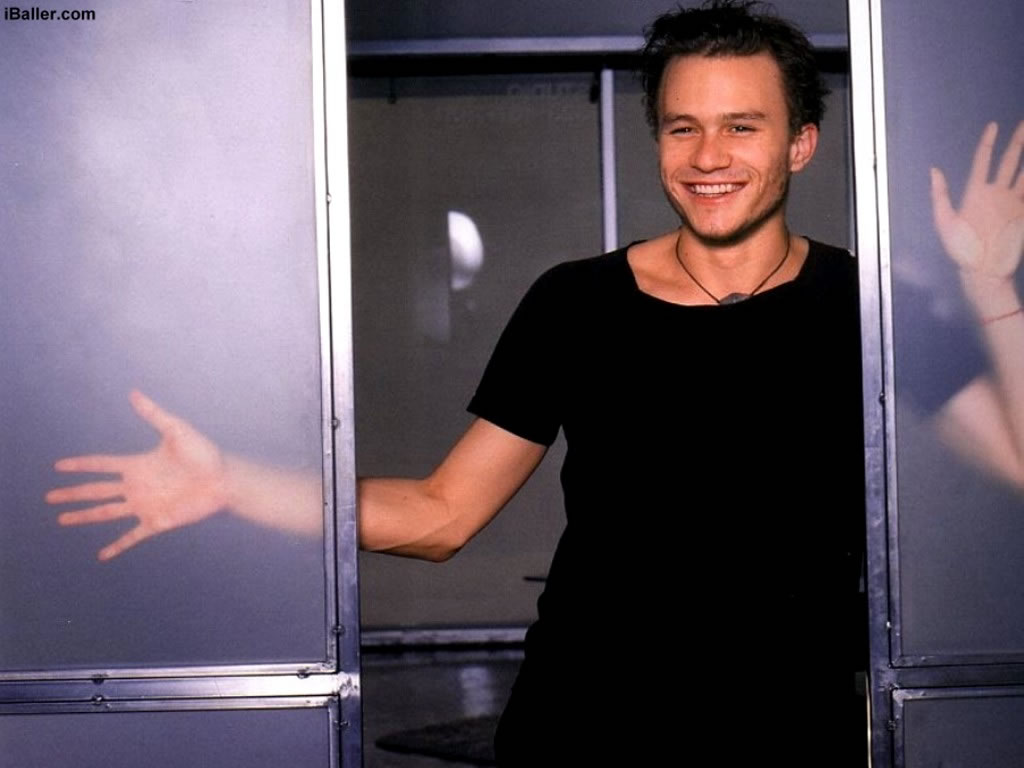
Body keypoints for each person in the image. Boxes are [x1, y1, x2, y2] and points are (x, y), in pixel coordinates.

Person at [46, 1, 1023, 764]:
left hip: (788, 733)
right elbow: (440, 515)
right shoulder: (576, 302)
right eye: (682, 127)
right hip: (582, 727)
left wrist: (988, 285)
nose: (708, 157)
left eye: (742, 126)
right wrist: (232, 485)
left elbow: (1015, 461)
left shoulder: (865, 305)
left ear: (800, 143)